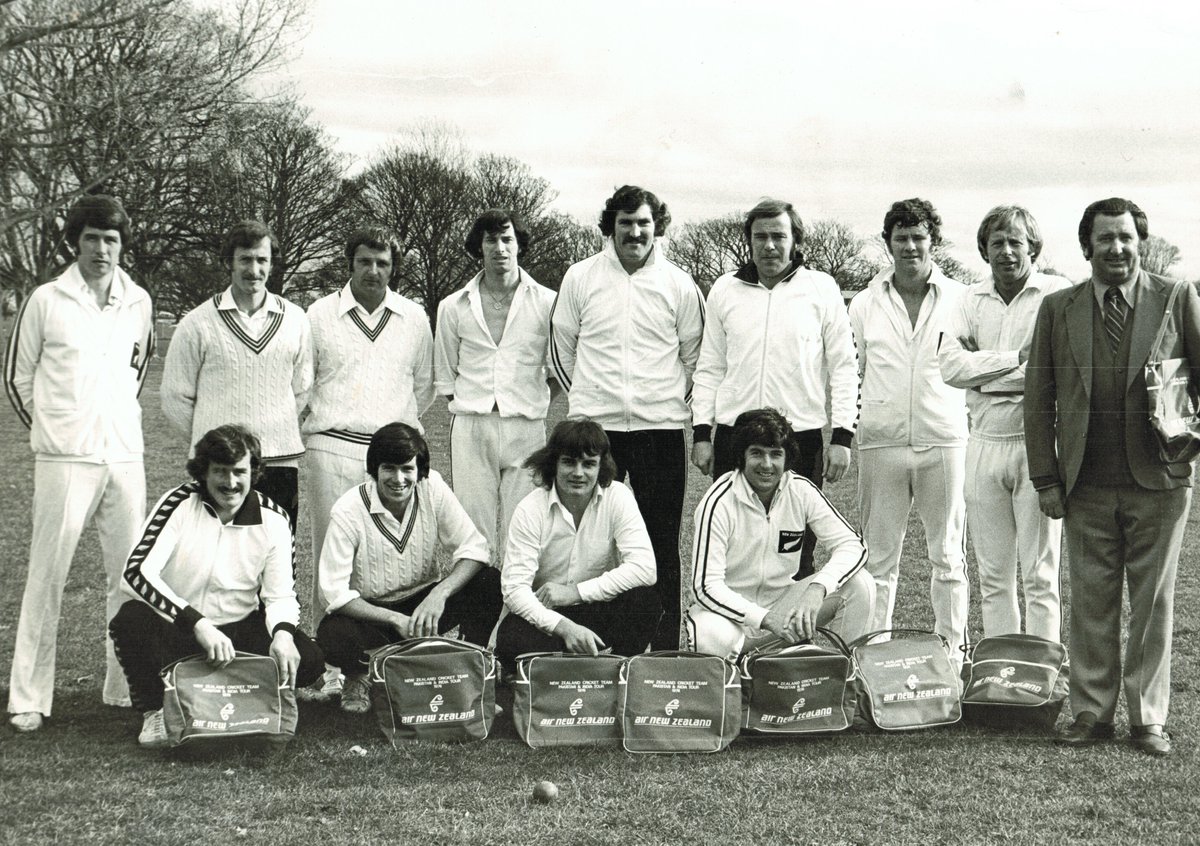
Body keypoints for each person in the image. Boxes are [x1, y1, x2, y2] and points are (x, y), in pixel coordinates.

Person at [1026, 198, 1200, 757]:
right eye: (1106, 238)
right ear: (1087, 247)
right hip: (1086, 483)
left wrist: (1188, 442)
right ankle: (1091, 713)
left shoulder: (1176, 296)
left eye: (1127, 237)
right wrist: (1046, 478)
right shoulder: (1058, 307)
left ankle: (1149, 718)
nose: (1118, 248)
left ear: (1140, 242)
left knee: (1153, 603)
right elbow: (1039, 398)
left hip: (1161, 481)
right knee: (1091, 603)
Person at [5, 194, 155, 732]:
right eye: (91, 238)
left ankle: (124, 686)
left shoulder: (139, 301)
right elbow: (18, 378)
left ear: (121, 245)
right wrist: (55, 430)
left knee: (130, 576)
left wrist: (113, 425)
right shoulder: (47, 299)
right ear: (76, 242)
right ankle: (29, 696)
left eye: (111, 239)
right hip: (64, 458)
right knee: (48, 575)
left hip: (124, 456)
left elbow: (136, 372)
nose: (101, 249)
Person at [550, 185, 704, 649]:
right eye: (625, 223)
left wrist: (667, 403)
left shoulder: (679, 283)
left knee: (660, 542)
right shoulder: (580, 277)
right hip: (598, 435)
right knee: (593, 541)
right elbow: (562, 351)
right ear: (610, 227)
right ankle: (596, 645)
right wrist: (589, 403)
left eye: (643, 223)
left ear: (657, 227)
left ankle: (665, 650)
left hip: (660, 431)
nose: (635, 232)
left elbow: (696, 358)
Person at [108, 425, 323, 748]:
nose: (230, 483)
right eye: (220, 471)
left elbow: (281, 595)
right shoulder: (179, 503)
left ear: (254, 472)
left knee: (308, 659)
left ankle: (241, 692)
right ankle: (155, 710)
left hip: (238, 629)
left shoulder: (274, 518)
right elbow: (136, 573)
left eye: (239, 472)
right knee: (130, 620)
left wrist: (282, 635)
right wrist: (197, 623)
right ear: (203, 472)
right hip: (182, 630)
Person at [691, 198, 858, 578]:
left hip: (800, 438)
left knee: (796, 554)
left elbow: (845, 367)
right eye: (760, 236)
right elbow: (709, 366)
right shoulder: (725, 289)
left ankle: (796, 617)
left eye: (778, 236)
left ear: (795, 240)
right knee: (733, 551)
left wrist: (842, 437)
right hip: (735, 437)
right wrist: (701, 433)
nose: (769, 245)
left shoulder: (821, 288)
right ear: (748, 240)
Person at [301, 227, 433, 700]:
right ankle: (329, 671)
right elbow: (304, 382)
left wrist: (391, 438)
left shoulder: (414, 317)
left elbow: (424, 386)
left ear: (393, 267)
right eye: (364, 261)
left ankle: (370, 668)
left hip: (390, 455)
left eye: (382, 262)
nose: (373, 271)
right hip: (331, 447)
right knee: (330, 559)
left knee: (381, 560)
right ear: (350, 263)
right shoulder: (319, 314)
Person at [938, 205, 1070, 642]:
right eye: (998, 242)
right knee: (993, 577)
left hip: (1038, 444)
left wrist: (984, 374)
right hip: (983, 441)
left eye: (1016, 242)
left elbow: (1055, 370)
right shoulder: (968, 299)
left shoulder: (1056, 293)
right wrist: (1017, 360)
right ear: (985, 249)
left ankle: (1042, 672)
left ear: (1033, 248)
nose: (1007, 251)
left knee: (1040, 575)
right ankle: (1002, 669)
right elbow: (951, 368)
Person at [848, 198, 969, 658]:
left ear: (933, 241)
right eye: (902, 238)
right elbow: (851, 370)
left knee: (949, 558)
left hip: (945, 440)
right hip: (881, 442)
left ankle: (953, 654)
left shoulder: (961, 299)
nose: (911, 246)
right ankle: (873, 657)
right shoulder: (864, 302)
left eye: (919, 237)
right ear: (888, 243)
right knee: (878, 561)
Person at [316, 423, 501, 715]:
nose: (399, 479)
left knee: (488, 582)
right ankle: (358, 677)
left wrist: (439, 595)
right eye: (389, 468)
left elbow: (475, 549)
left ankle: (466, 667)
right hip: (374, 613)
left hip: (424, 607)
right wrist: (394, 619)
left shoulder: (432, 487)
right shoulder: (348, 510)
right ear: (374, 469)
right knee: (333, 632)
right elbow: (333, 593)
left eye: (407, 469)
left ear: (420, 470)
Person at [686, 409, 873, 661]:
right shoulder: (719, 501)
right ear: (741, 456)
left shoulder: (800, 489)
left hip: (782, 608)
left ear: (787, 458)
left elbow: (853, 545)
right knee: (708, 634)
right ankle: (749, 666)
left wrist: (818, 588)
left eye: (776, 454)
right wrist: (763, 618)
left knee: (860, 584)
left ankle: (841, 673)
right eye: (757, 453)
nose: (767, 464)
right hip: (731, 617)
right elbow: (705, 587)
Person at [161, 220, 312, 527]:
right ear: (228, 262)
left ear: (271, 264)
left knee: (277, 549)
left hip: (279, 461)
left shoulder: (296, 319)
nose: (254, 270)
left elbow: (302, 387)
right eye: (245, 259)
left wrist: (268, 428)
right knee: (216, 549)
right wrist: (215, 446)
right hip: (220, 466)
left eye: (261, 260)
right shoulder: (197, 322)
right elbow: (175, 397)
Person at [434, 209, 556, 564]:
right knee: (473, 532)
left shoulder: (548, 302)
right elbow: (446, 374)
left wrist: (530, 402)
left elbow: (558, 369)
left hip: (526, 427)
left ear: (519, 245)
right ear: (480, 246)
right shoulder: (452, 306)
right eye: (491, 240)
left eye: (507, 239)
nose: (500, 248)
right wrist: (477, 403)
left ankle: (516, 598)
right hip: (472, 427)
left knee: (524, 528)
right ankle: (478, 601)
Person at [495, 419, 660, 662]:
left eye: (589, 464)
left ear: (601, 466)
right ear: (553, 463)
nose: (578, 473)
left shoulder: (618, 497)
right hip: (548, 613)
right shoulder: (530, 508)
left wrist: (575, 592)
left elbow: (645, 569)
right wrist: (564, 627)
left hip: (596, 604)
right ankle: (557, 670)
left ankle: (618, 670)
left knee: (645, 602)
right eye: (569, 462)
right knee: (511, 637)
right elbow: (514, 589)